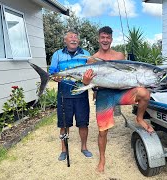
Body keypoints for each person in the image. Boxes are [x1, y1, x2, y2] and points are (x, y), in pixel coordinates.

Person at [82, 26, 154, 172]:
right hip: (104, 96)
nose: (105, 40)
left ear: (111, 40)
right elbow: (86, 82)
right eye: (102, 37)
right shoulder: (91, 59)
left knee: (145, 93)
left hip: (120, 93)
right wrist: (85, 81)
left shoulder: (120, 56)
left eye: (108, 37)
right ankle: (102, 159)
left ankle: (139, 118)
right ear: (98, 39)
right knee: (103, 131)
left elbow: (127, 76)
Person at [49, 29, 92, 161]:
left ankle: (84, 147)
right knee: (64, 125)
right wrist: (55, 77)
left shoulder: (86, 54)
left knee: (83, 124)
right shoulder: (57, 54)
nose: (73, 39)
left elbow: (91, 72)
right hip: (63, 96)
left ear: (78, 40)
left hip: (81, 95)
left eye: (76, 37)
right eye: (70, 37)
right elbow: (52, 72)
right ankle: (64, 149)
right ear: (65, 40)